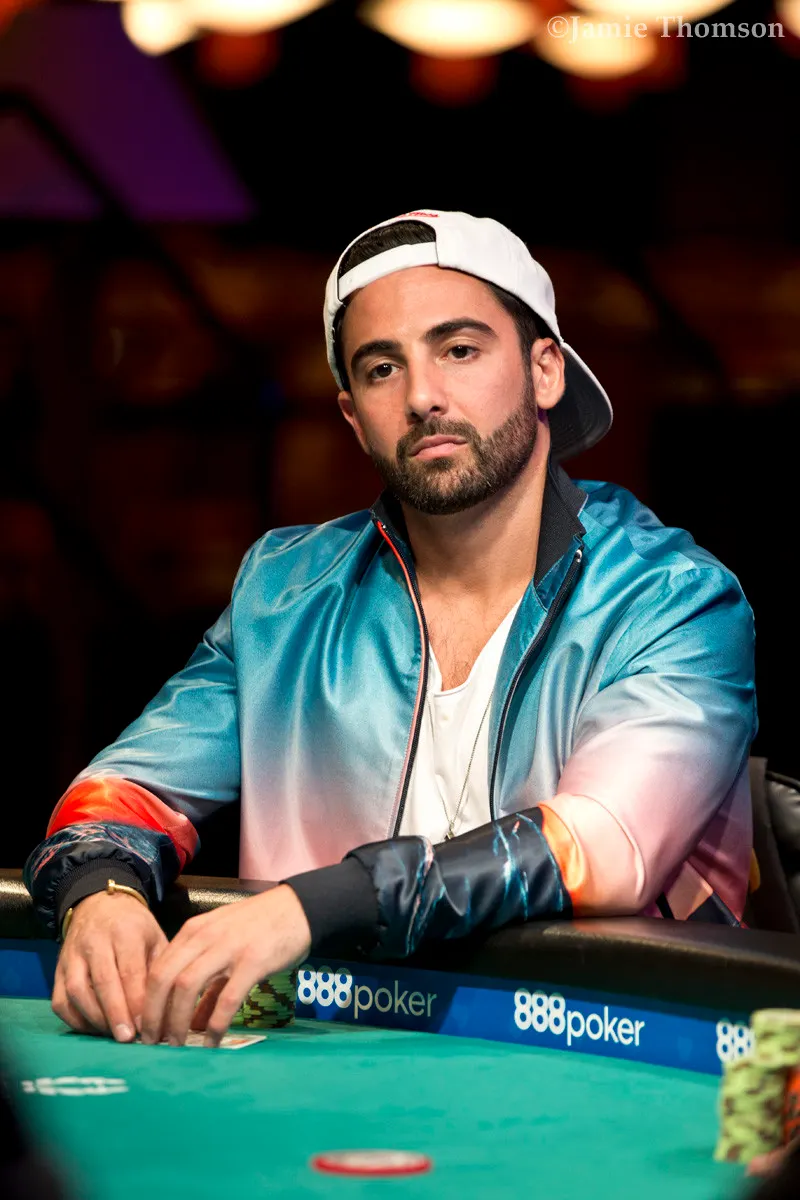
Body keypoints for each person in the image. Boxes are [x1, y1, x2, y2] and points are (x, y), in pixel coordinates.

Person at [24, 210, 756, 1050]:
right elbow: (127, 791)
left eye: (460, 349)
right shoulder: (285, 593)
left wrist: (314, 907)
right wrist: (100, 891)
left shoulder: (674, 599)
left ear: (545, 369)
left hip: (610, 1057)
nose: (422, 396)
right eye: (382, 368)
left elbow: (598, 847)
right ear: (351, 415)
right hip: (326, 1061)